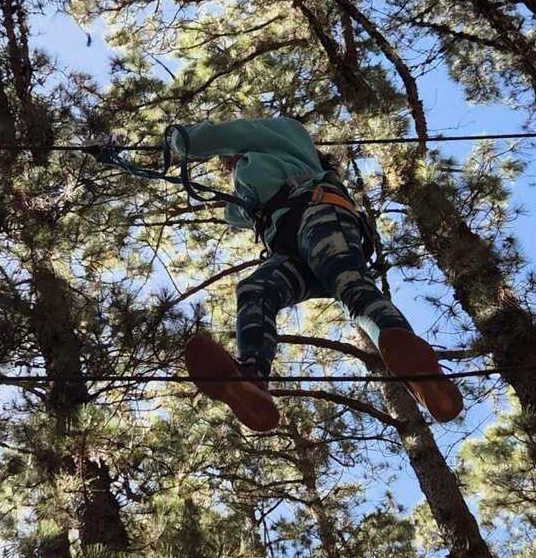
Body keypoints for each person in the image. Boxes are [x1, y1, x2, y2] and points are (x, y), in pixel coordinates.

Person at [163, 115, 462, 432]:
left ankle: (417, 371)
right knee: (256, 289)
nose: (235, 167)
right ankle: (250, 378)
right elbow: (237, 212)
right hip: (290, 247)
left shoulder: (281, 133)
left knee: (352, 287)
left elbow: (227, 135)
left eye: (234, 160)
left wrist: (177, 139)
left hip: (319, 215)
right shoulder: (253, 189)